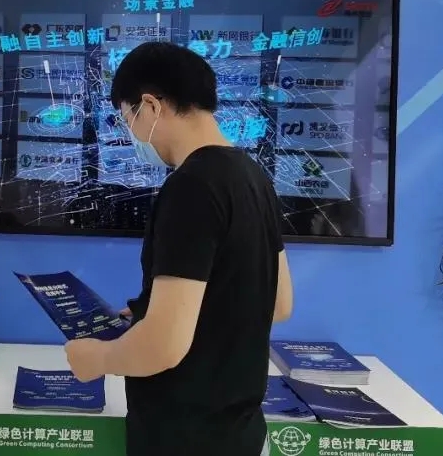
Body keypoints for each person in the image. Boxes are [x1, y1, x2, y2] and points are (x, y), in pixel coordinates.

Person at [64, 42, 292, 456]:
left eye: (127, 119)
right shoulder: (254, 177)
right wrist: (159, 307)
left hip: (186, 436)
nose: (131, 135)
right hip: (241, 434)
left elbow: (163, 346)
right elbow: (276, 303)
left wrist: (98, 358)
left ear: (151, 106)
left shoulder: (191, 186)